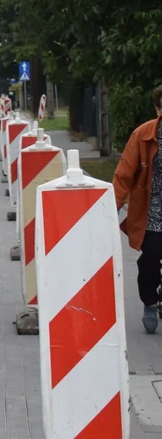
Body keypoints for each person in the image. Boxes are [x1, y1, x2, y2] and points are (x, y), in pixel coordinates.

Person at [113, 85, 162, 333]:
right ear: (157, 108)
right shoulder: (143, 135)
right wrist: (112, 208)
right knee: (151, 258)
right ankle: (150, 302)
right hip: (153, 210)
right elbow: (124, 175)